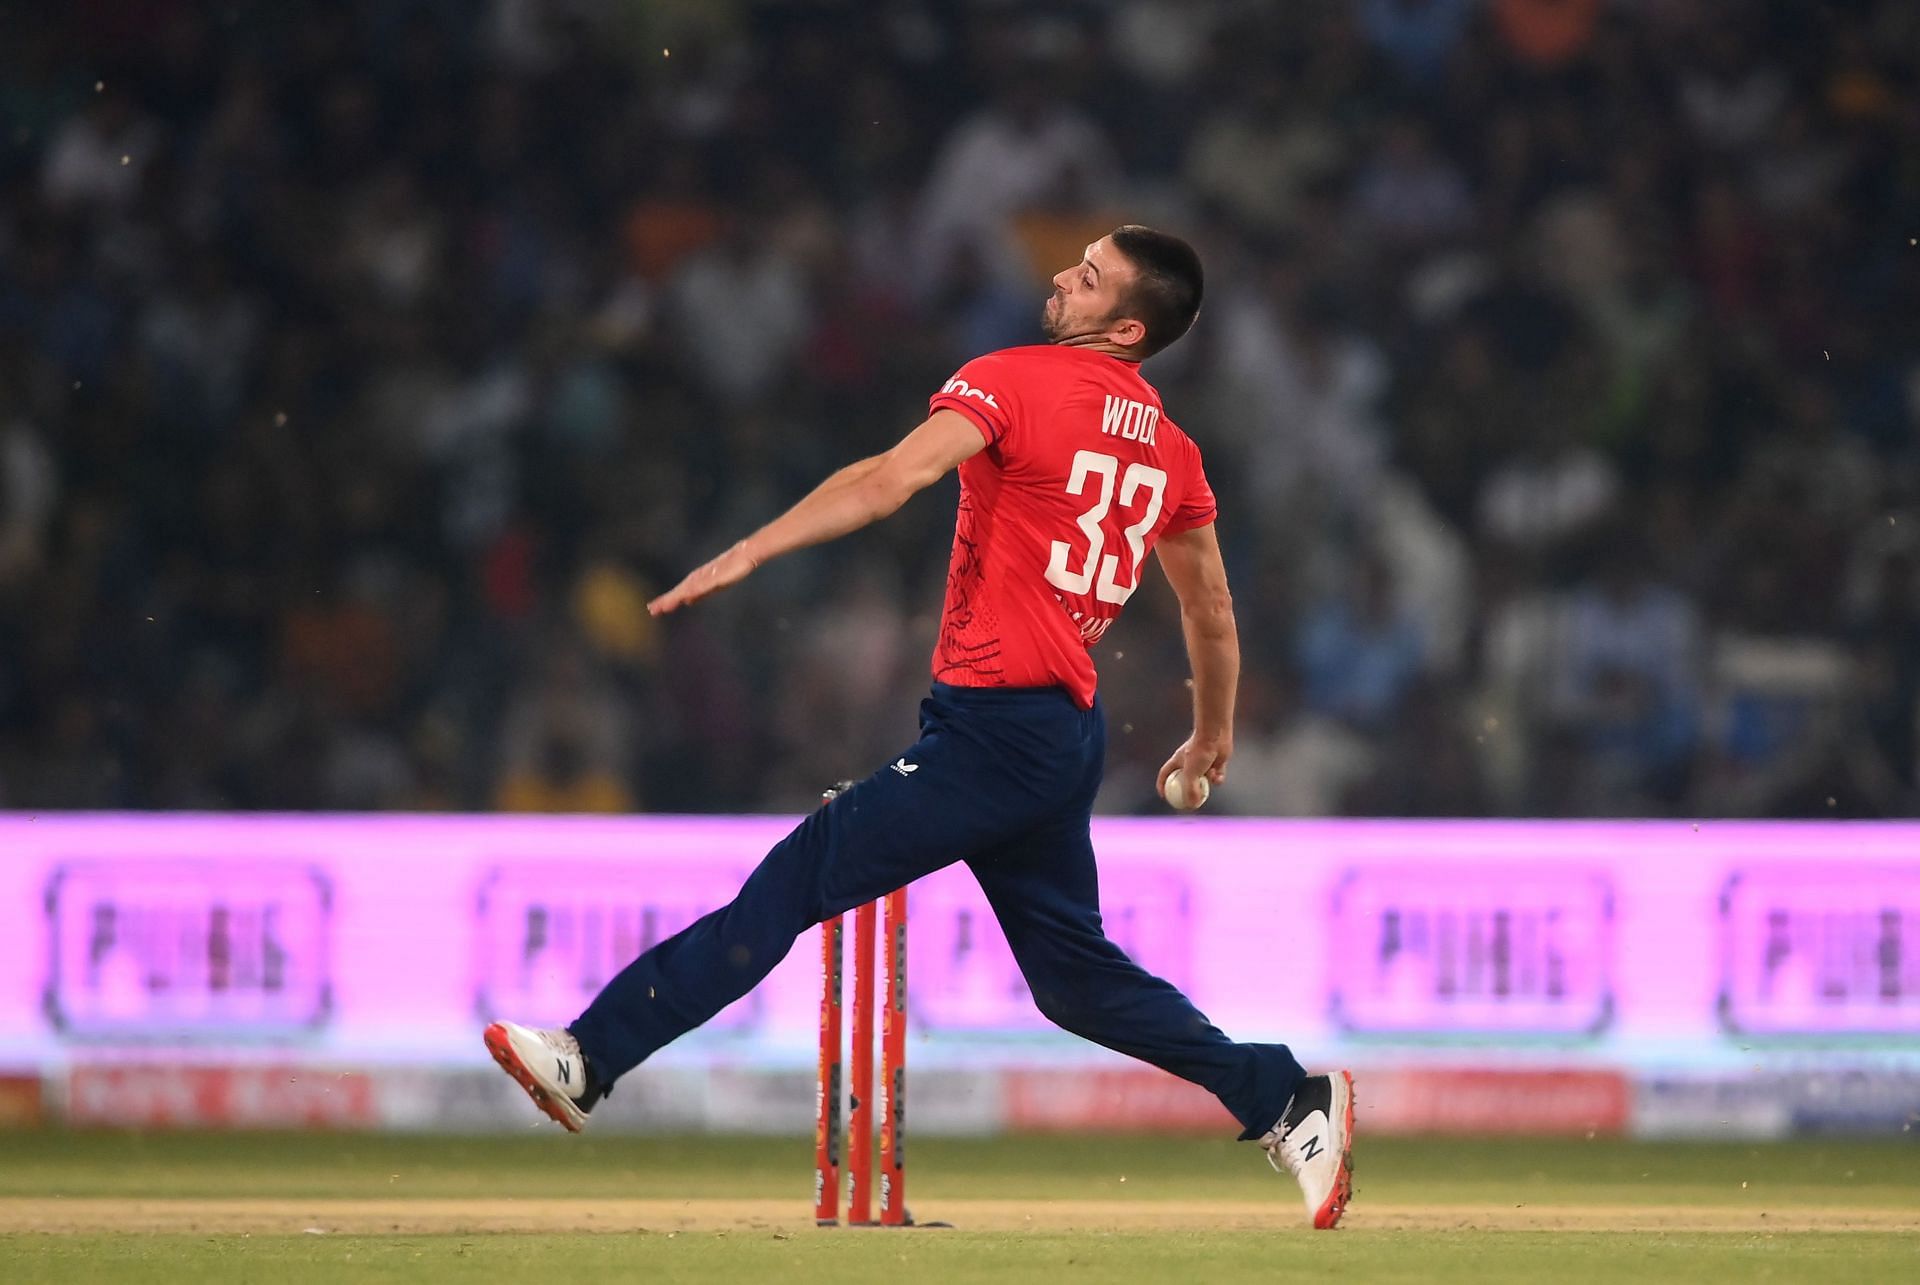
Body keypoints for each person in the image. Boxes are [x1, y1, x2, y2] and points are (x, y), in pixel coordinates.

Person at [484, 226, 1355, 1229]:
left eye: (1088, 278)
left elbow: (888, 479)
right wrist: (1211, 735)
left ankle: (589, 1058)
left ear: (1126, 325)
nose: (1062, 280)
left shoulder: (1015, 379)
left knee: (791, 882)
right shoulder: (1171, 447)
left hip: (995, 732)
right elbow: (1210, 607)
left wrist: (752, 550)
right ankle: (1287, 1096)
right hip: (1060, 730)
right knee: (1075, 981)